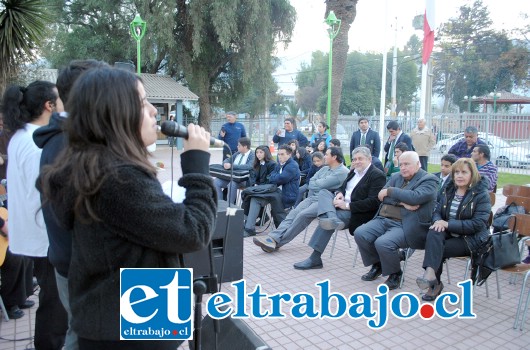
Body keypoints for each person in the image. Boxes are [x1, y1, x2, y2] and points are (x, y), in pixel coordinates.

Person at [37, 67, 217, 349]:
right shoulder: (117, 178)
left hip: (125, 315)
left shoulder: (97, 165)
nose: (154, 112)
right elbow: (193, 231)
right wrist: (197, 168)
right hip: (128, 327)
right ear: (116, 112)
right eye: (143, 102)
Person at [33, 59, 108, 350]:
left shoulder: (63, 138)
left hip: (69, 260)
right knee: (82, 337)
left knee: (77, 334)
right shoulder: (71, 144)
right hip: (78, 264)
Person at [2, 80, 69, 349]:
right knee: (54, 310)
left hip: (36, 235)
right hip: (44, 237)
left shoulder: (23, 136)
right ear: (49, 105)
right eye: (60, 101)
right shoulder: (34, 142)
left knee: (54, 305)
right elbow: (45, 190)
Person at [354, 151, 438, 290]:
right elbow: (381, 196)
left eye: (407, 164)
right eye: (401, 164)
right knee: (360, 233)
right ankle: (379, 264)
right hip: (384, 218)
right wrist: (404, 203)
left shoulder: (429, 180)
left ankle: (395, 274)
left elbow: (415, 197)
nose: (403, 168)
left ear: (418, 164)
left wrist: (391, 192)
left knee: (383, 243)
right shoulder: (396, 176)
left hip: (408, 224)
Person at [293, 147, 386, 270]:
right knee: (324, 193)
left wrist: (347, 206)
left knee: (326, 221)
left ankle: (315, 258)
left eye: (360, 159)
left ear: (369, 159)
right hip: (339, 206)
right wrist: (339, 194)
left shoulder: (377, 175)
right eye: (354, 159)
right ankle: (331, 217)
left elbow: (374, 202)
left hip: (356, 212)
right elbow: (343, 187)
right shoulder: (354, 172)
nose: (357, 161)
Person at [417, 158, 491, 301]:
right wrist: (438, 221)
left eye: (464, 172)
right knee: (434, 232)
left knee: (435, 247)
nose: (459, 176)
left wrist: (447, 224)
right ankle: (432, 277)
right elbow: (437, 211)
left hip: (471, 239)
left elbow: (477, 224)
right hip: (449, 234)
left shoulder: (481, 194)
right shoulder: (448, 189)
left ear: (472, 174)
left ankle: (433, 282)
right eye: (456, 172)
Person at [253, 147, 349, 252]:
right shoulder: (325, 168)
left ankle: (278, 242)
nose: (324, 156)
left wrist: (317, 182)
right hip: (313, 197)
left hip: (326, 201)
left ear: (334, 157)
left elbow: (320, 184)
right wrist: (317, 183)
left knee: (302, 215)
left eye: (326, 154)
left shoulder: (342, 172)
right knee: (293, 213)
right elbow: (311, 182)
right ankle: (272, 237)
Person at [241, 145, 299, 237]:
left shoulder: (292, 166)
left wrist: (274, 178)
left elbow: (281, 178)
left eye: (282, 154)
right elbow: (271, 176)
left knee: (254, 195)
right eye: (278, 154)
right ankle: (249, 228)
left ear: (289, 155)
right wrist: (274, 177)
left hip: (286, 196)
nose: (279, 156)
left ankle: (251, 226)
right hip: (275, 192)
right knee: (254, 197)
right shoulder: (280, 164)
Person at [213, 137, 255, 204]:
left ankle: (230, 206)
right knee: (216, 181)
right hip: (231, 177)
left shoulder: (252, 155)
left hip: (243, 180)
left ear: (245, 146)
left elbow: (249, 166)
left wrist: (232, 166)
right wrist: (225, 163)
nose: (237, 146)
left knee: (232, 184)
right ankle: (220, 204)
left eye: (239, 145)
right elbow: (228, 159)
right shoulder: (238, 153)